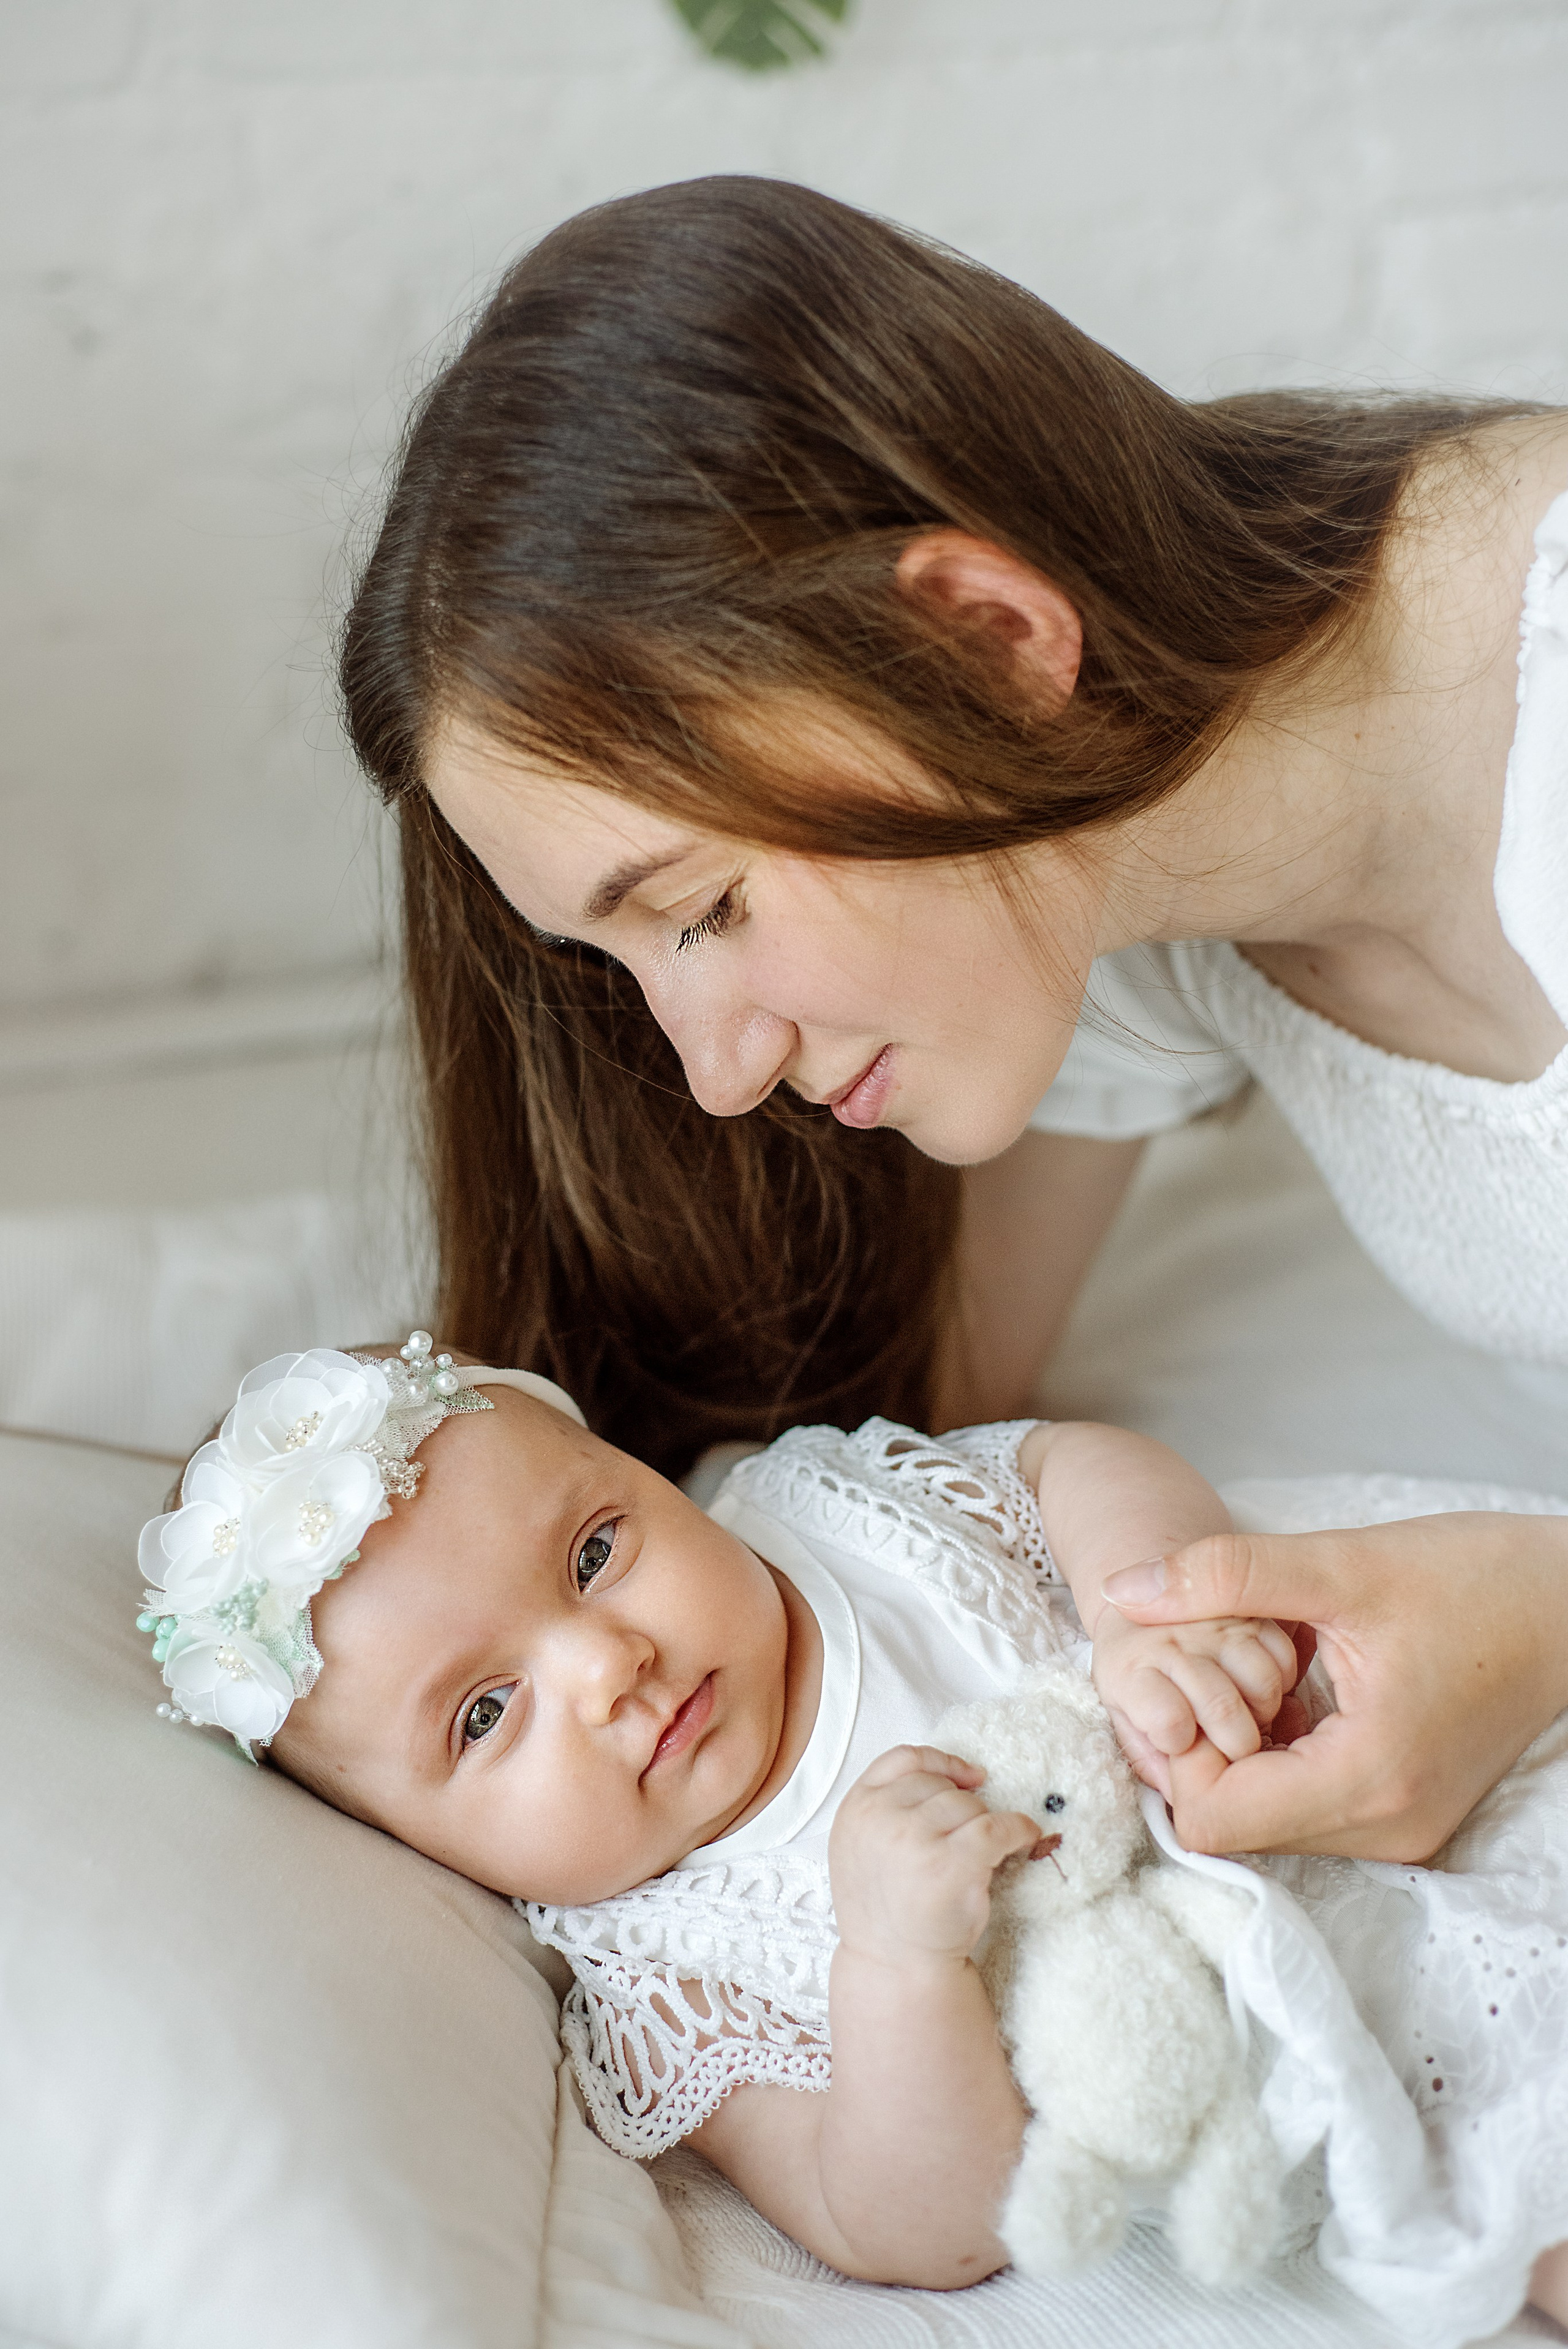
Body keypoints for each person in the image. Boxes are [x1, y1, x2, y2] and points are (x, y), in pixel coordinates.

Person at [338, 175, 1568, 1869]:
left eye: (700, 908)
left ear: (988, 646)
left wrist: (1545, 1620)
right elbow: (910, 1435)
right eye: (629, 962)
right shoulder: (1126, 872)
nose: (717, 1071)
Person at [136, 1338, 1568, 2329]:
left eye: (591, 1553)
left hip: (1421, 1739)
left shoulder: (833, 1509)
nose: (603, 1666)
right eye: (484, 1715)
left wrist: (1152, 1616)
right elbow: (912, 2223)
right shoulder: (668, 1971)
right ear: (429, 1854)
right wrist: (894, 1968)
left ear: (634, 1467)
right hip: (1369, 2050)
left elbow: (1064, 1459)